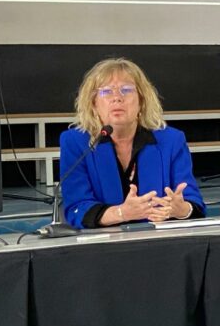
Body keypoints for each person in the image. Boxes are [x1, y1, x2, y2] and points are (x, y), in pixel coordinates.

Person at [59, 58, 205, 228]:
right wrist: (121, 213)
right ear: (94, 104)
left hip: (159, 238)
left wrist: (181, 210)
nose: (117, 98)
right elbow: (76, 208)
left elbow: (193, 202)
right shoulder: (76, 142)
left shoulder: (171, 140)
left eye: (126, 90)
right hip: (103, 241)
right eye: (106, 92)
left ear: (142, 101)